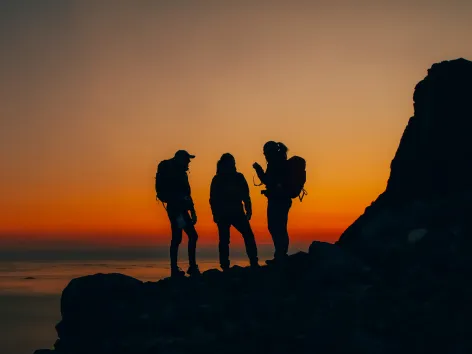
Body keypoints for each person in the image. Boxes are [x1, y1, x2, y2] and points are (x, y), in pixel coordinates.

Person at [210, 153, 259, 270]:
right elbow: (213, 198)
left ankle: (252, 261)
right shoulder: (219, 178)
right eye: (232, 163)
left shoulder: (236, 177)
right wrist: (215, 214)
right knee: (226, 240)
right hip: (226, 213)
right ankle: (225, 265)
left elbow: (245, 194)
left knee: (246, 236)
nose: (234, 165)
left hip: (235, 212)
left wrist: (249, 209)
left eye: (234, 163)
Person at [155, 150, 200, 277]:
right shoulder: (175, 173)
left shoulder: (181, 173)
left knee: (182, 237)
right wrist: (191, 210)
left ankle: (179, 268)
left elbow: (187, 193)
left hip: (180, 209)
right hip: (177, 210)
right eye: (187, 159)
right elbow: (184, 193)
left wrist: (193, 211)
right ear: (180, 159)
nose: (189, 162)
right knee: (184, 236)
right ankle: (184, 268)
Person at [253, 141, 292, 265]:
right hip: (281, 199)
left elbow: (269, 181)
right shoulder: (280, 161)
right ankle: (280, 254)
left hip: (278, 200)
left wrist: (258, 170)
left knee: (276, 227)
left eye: (266, 153)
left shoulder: (276, 163)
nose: (265, 156)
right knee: (279, 227)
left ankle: (280, 255)